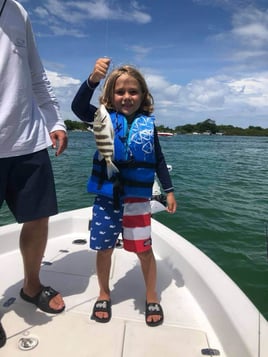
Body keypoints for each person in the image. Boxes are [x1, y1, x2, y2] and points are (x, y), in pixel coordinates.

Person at [71, 58, 177, 327]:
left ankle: (152, 295)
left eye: (133, 92)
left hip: (138, 201)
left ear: (143, 96)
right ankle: (104, 293)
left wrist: (169, 190)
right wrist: (93, 79)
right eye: (120, 92)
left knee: (144, 250)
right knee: (104, 249)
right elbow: (78, 107)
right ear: (110, 96)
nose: (127, 97)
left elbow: (159, 160)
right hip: (107, 197)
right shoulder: (101, 117)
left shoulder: (147, 125)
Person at [0, 0, 67, 347]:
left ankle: (31, 286)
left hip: (28, 139)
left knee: (39, 218)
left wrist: (54, 120)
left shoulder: (17, 10)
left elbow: (36, 72)